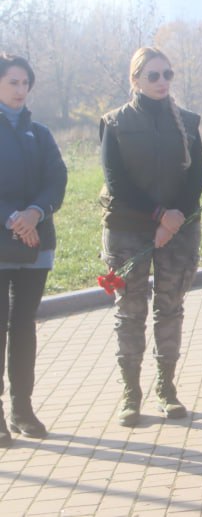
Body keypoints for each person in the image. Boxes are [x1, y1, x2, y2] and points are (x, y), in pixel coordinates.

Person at [99, 47, 202, 427]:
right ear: (136, 80)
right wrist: (159, 216)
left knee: (170, 308)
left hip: (179, 229)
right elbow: (117, 182)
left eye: (167, 74)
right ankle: (131, 394)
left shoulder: (189, 123)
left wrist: (173, 219)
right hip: (128, 228)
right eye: (153, 76)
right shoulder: (114, 123)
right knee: (129, 313)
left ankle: (167, 388)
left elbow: (196, 180)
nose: (162, 82)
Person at [0, 54, 67, 446]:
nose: (21, 90)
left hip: (37, 243)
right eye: (13, 82)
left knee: (23, 325)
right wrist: (13, 219)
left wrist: (35, 213)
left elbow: (56, 178)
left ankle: (21, 408)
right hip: (5, 238)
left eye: (25, 83)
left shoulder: (39, 133)